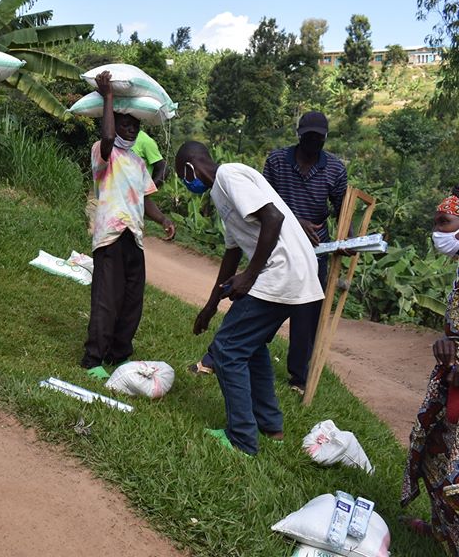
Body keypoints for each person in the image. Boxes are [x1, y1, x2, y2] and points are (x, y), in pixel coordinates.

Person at [175, 140, 323, 455]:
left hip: (281, 272)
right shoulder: (220, 195)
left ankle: (242, 439)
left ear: (189, 168)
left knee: (227, 350)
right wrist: (211, 304)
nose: (188, 184)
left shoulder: (229, 175)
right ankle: (271, 426)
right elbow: (231, 253)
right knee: (251, 345)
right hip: (286, 272)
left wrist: (250, 275)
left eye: (183, 176)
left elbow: (273, 219)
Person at [189, 111, 348, 395]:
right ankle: (219, 364)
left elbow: (340, 209)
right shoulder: (276, 161)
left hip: (310, 249)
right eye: (308, 136)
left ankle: (297, 380)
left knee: (303, 320)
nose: (313, 142)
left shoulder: (334, 169)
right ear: (299, 134)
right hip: (274, 248)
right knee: (253, 319)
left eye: (318, 138)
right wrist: (214, 302)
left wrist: (342, 240)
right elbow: (269, 207)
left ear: (324, 139)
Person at [81, 72, 176, 379]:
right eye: (125, 124)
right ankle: (93, 358)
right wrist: (108, 95)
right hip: (109, 235)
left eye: (135, 125)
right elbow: (108, 137)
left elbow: (145, 198)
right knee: (106, 299)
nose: (130, 129)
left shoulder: (136, 162)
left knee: (131, 300)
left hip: (133, 237)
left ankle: (118, 352)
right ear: (114, 122)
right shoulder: (102, 152)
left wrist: (162, 219)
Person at [402, 189, 459, 553]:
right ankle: (441, 529)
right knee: (436, 455)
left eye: (444, 223)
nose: (436, 232)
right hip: (451, 376)